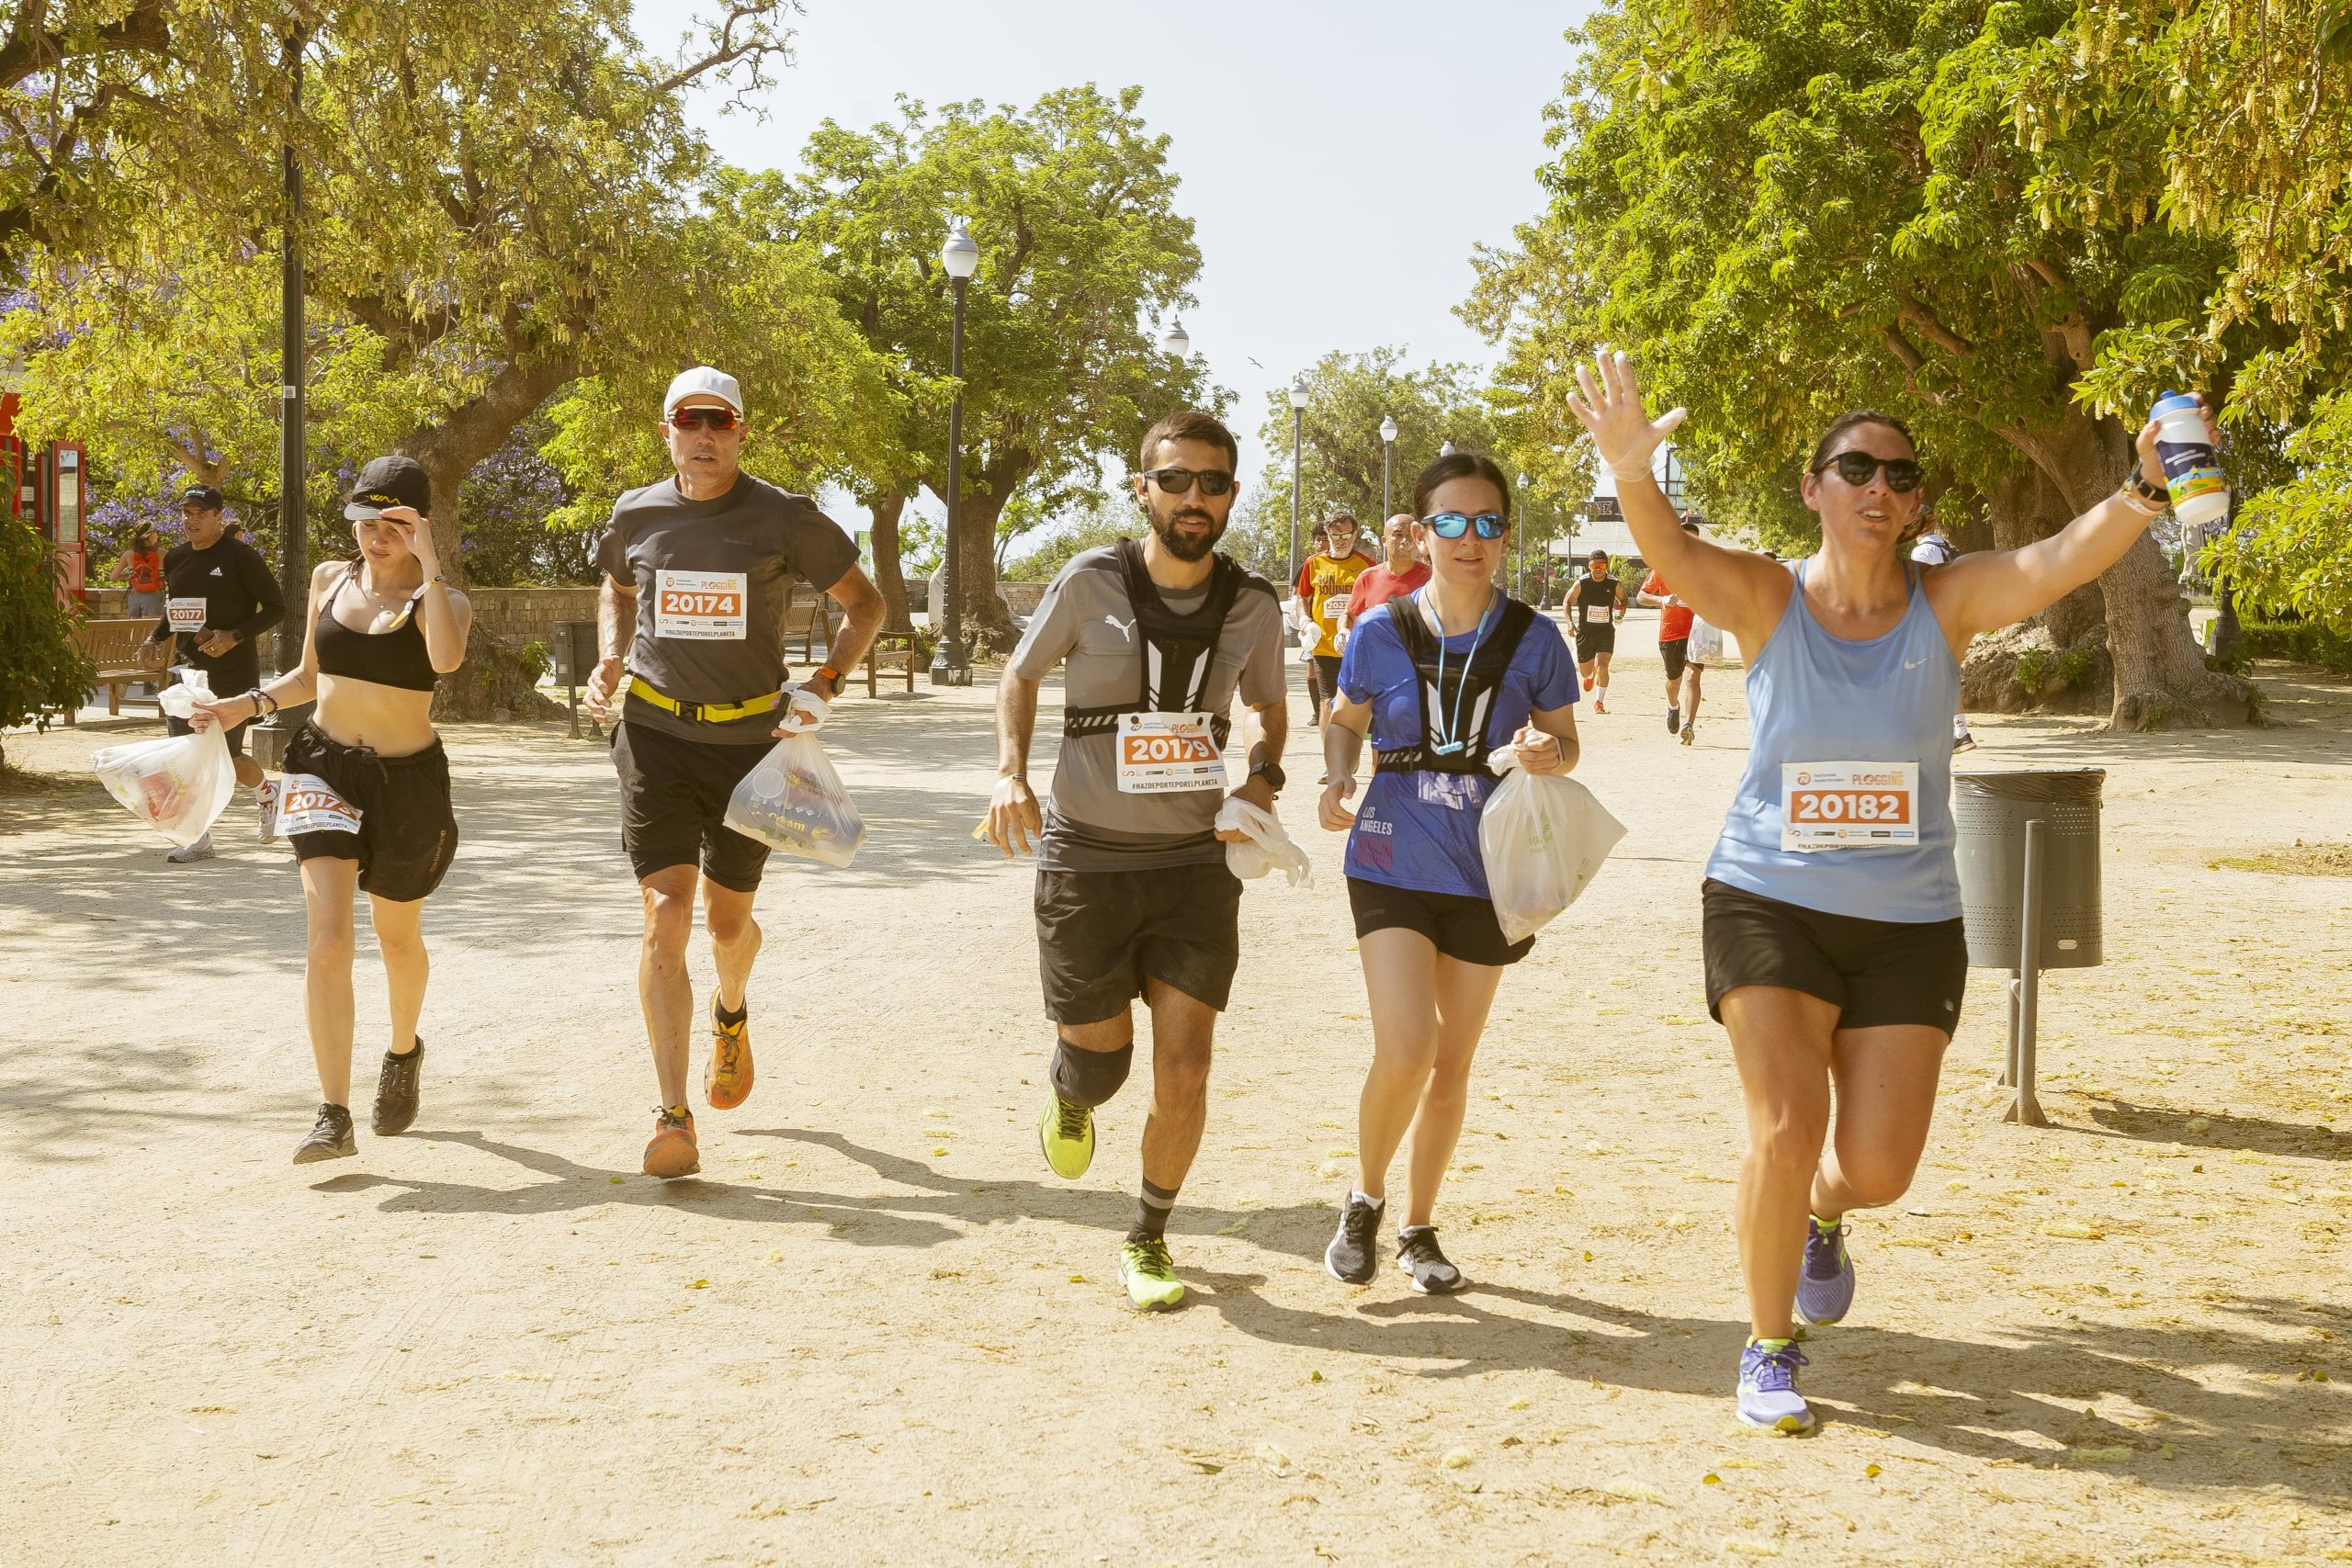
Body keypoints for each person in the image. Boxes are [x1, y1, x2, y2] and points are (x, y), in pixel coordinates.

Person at [1566, 347, 2211, 1435]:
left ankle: (1824, 1214)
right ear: (1814, 488)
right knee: (1782, 1122)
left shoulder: (1945, 601)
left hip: (1909, 918)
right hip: (1768, 895)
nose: (1880, 488)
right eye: (1856, 468)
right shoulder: (1766, 598)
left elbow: (2057, 558)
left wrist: (2145, 490)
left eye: (1900, 476)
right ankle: (1769, 1346)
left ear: (1917, 505)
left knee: (1876, 1166)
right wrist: (1632, 471)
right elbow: (1669, 550)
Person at [985, 408, 1287, 1313]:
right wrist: (1009, 775)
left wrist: (1262, 787)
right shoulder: (1087, 583)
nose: (1194, 499)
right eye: (1176, 481)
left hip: (1196, 866)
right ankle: (1070, 1089)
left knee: (1186, 1067)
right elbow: (1019, 674)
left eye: (1213, 482)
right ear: (1142, 488)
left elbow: (1273, 718)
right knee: (1102, 1060)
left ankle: (1149, 1236)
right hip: (1086, 861)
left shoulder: (1253, 605)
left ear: (1231, 493)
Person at [583, 367, 886, 1180]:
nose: (705, 435)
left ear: (742, 431)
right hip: (653, 733)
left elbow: (868, 603)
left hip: (752, 744)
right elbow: (614, 584)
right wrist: (611, 654)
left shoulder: (784, 516)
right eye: (690, 420)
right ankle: (671, 1114)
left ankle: (731, 1010)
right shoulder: (636, 512)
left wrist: (825, 682)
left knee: (725, 927)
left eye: (720, 421)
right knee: (664, 915)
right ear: (667, 431)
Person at [1317, 454, 1579, 1294]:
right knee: (1409, 1044)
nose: (1472, 540)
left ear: (1506, 535)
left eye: (1489, 524)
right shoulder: (1379, 630)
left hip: (1489, 867)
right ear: (1422, 533)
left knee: (1453, 1062)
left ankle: (1418, 1227)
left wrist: (1549, 752)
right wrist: (1335, 775)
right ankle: (1363, 1198)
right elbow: (1346, 717)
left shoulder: (1536, 637)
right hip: (1391, 852)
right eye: (1453, 523)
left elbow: (1566, 744)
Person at [186, 456, 470, 1162]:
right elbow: (309, 678)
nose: (375, 536)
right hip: (323, 769)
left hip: (408, 785)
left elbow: (444, 661)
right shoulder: (327, 580)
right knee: (329, 941)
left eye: (394, 524)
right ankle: (333, 1112)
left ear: (418, 526)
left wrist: (428, 561)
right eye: (365, 521)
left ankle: (403, 1049)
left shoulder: (445, 601)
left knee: (397, 940)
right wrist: (238, 706)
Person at [139, 483, 285, 863]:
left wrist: (235, 636)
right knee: (185, 755)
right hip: (187, 673)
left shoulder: (240, 556)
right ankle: (197, 836)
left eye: (201, 513)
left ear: (219, 517)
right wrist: (154, 639)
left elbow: (275, 607)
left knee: (228, 756)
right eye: (186, 513)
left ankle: (267, 794)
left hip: (232, 672)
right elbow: (176, 610)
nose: (192, 520)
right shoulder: (176, 559)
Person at [1295, 513, 1374, 761]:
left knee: (1359, 704)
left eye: (1346, 535)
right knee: (1327, 703)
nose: (1341, 541)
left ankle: (1353, 752)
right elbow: (1302, 599)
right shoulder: (1313, 563)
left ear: (1355, 535)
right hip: (1324, 646)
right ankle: (1333, 760)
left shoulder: (1367, 564)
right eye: (1335, 536)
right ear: (1327, 535)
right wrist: (1305, 621)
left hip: (1358, 647)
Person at [1636, 515, 1707, 744]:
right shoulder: (1663, 567)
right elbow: (1641, 596)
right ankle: (1673, 705)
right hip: (1670, 633)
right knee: (1674, 682)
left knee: (1693, 677)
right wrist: (1663, 600)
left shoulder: (1705, 568)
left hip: (1696, 632)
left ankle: (1689, 724)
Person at [1910, 525, 1974, 751]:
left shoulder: (1921, 552)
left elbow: (1923, 587)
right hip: (1954, 617)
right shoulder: (1946, 548)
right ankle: (1960, 732)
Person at [1336, 513, 1430, 649]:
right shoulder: (1368, 578)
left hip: (1419, 663)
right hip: (1376, 661)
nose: (1405, 540)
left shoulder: (1432, 578)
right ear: (1384, 541)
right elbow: (1349, 615)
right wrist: (1343, 631)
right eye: (1398, 535)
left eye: (1410, 535)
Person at [1568, 548, 1626, 711]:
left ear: (1606, 566)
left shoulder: (1614, 583)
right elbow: (1567, 601)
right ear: (1589, 567)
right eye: (1595, 566)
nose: (1598, 569)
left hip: (1605, 631)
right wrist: (1569, 623)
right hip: (1585, 633)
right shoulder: (1581, 583)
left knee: (1603, 665)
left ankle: (1599, 702)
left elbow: (1623, 599)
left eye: (1601, 565)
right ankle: (1591, 675)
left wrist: (1621, 610)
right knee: (1585, 672)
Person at [119, 523, 166, 621]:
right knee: (150, 631)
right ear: (151, 534)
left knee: (135, 630)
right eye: (156, 532)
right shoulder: (163, 553)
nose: (157, 535)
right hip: (154, 596)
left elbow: (113, 577)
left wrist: (129, 575)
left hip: (135, 595)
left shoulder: (129, 554)